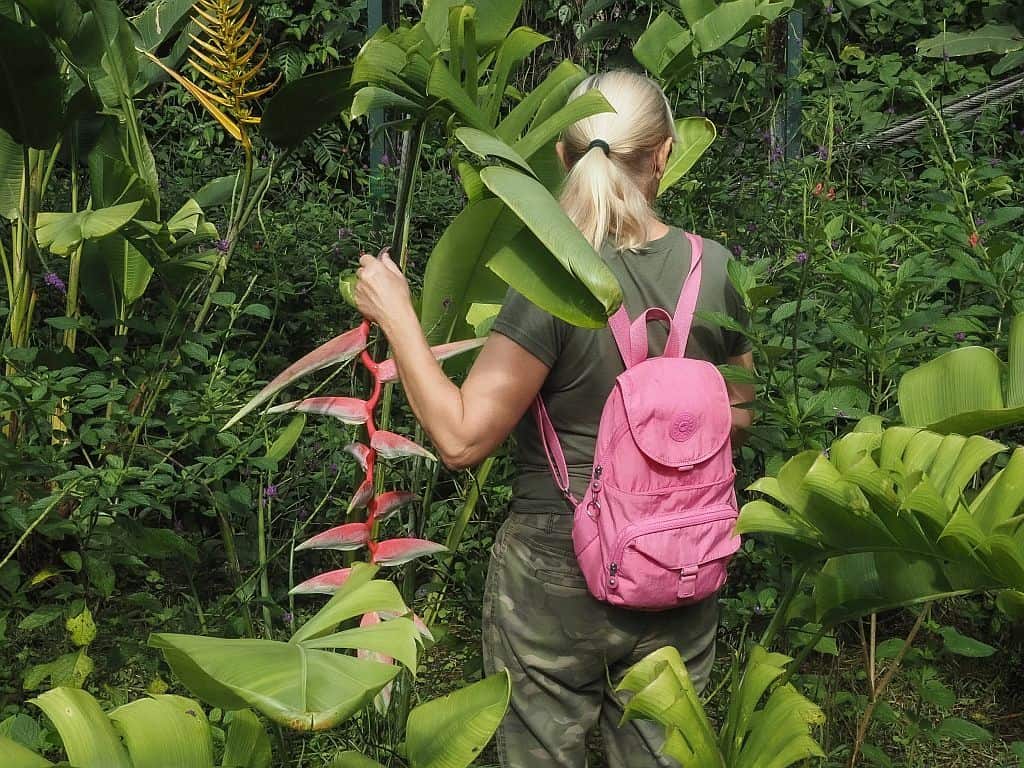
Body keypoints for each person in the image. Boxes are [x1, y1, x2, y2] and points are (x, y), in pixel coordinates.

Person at [355, 69, 755, 768]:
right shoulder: (714, 268)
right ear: (664, 155)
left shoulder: (552, 275)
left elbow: (460, 438)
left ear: (565, 156)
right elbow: (740, 417)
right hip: (683, 558)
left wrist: (398, 317)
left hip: (557, 560)